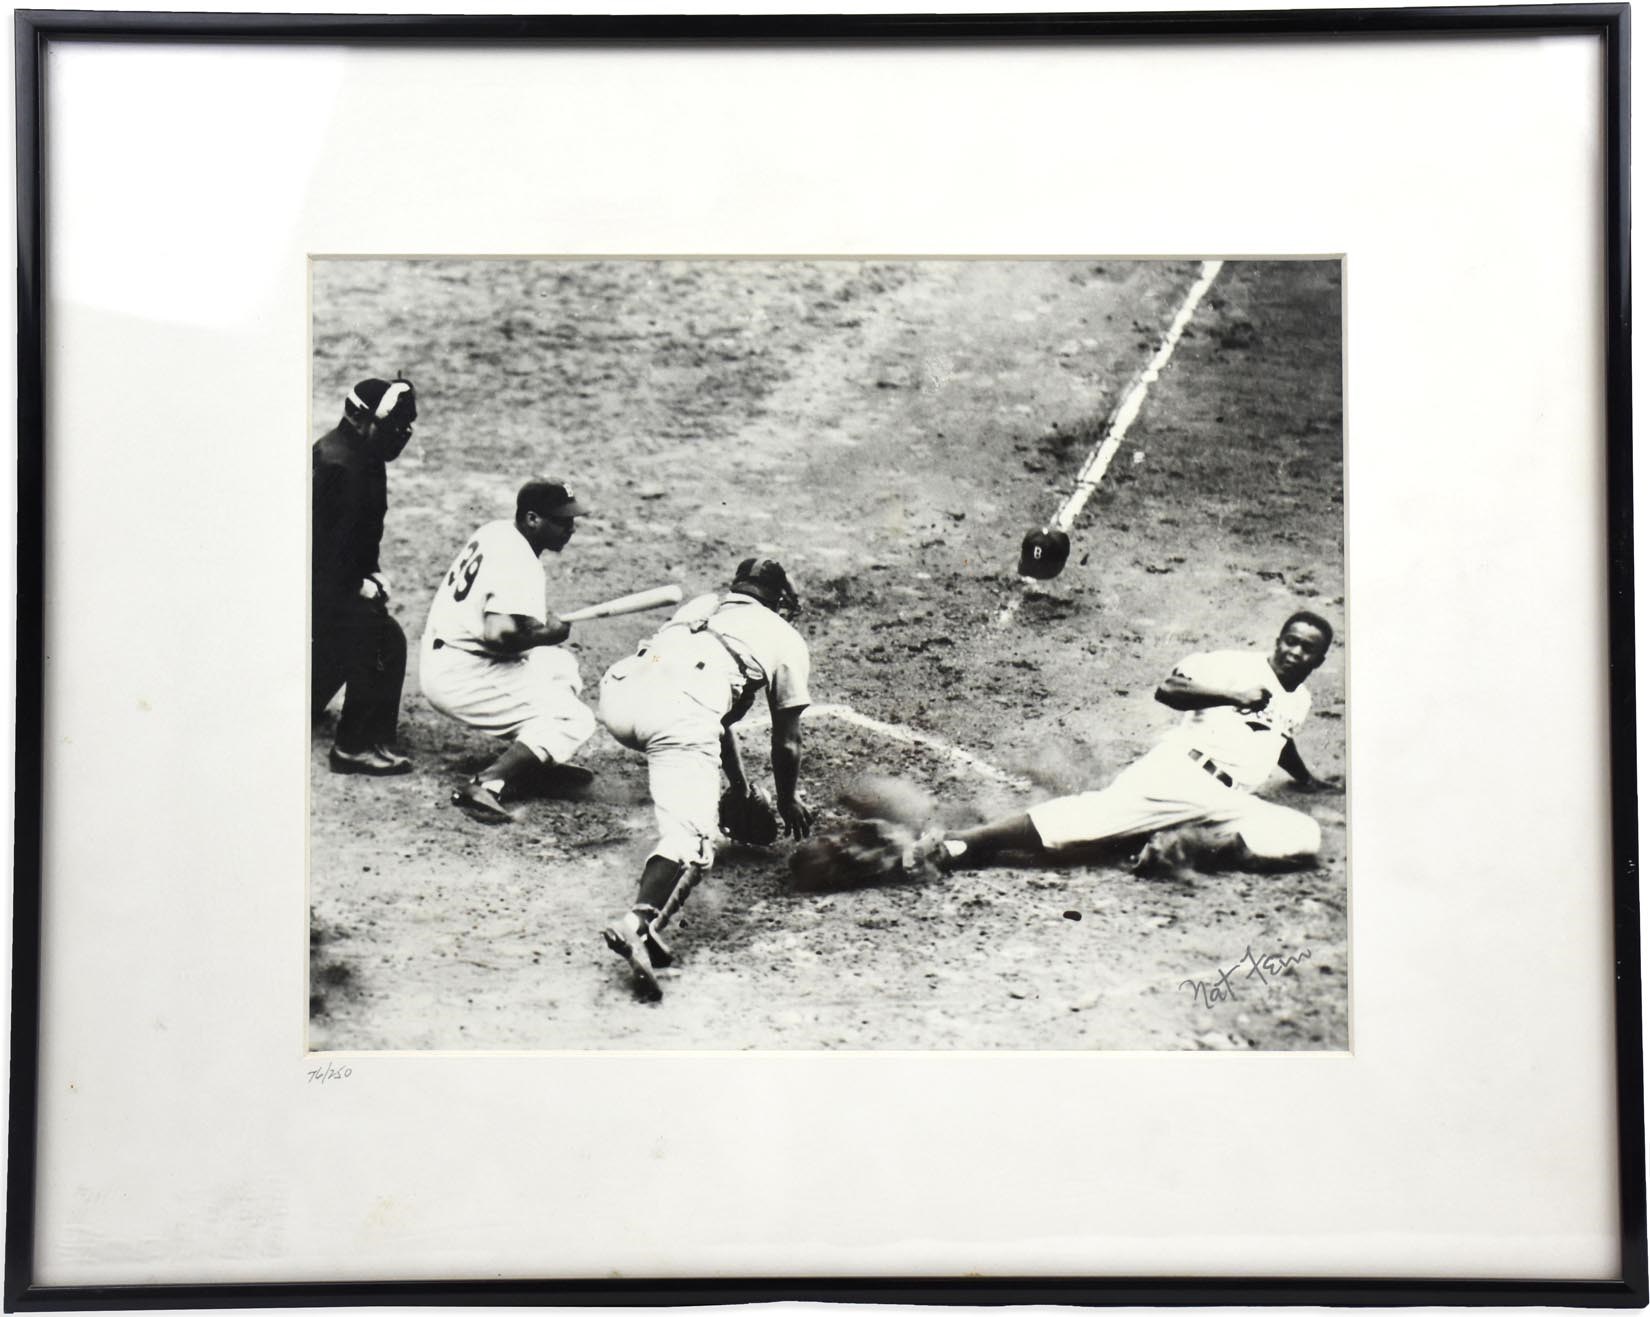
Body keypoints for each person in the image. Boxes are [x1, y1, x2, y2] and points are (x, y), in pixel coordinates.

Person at [913, 611, 1339, 881]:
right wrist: (1232, 697)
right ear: (1278, 640)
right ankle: (965, 842)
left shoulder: (1300, 700)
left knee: (1302, 835)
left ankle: (1178, 845)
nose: (1295, 652)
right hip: (1181, 776)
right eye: (1291, 641)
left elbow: (1279, 738)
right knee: (1086, 822)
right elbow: (1168, 689)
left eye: (1308, 650)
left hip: (1230, 801)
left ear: (1318, 662)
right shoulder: (1232, 666)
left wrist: (1305, 778)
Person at [597, 558, 816, 1000]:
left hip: (620, 694)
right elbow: (787, 741)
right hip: (674, 719)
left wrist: (738, 787)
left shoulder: (703, 606)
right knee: (695, 843)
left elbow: (711, 711)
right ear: (777, 600)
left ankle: (648, 927)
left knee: (699, 701)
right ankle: (638, 924)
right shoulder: (786, 639)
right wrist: (787, 800)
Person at [420, 478, 598, 822]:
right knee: (573, 718)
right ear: (533, 519)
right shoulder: (520, 561)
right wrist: (545, 635)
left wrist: (540, 636)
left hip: (446, 655)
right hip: (462, 675)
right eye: (562, 521)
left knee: (560, 666)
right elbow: (499, 634)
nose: (571, 529)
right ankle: (487, 784)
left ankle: (533, 765)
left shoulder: (498, 532)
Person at [312, 376, 417, 775]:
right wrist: (355, 586)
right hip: (310, 583)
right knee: (381, 638)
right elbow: (317, 550)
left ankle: (308, 698)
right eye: (392, 426)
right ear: (358, 418)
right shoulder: (340, 466)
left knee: (357, 622)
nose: (401, 436)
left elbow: (360, 534)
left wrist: (369, 571)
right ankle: (354, 746)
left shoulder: (364, 457)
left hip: (321, 582)